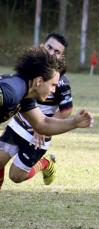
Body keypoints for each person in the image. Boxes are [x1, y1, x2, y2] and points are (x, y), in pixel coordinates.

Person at [0, 46, 93, 190]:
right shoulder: (11, 92)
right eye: (53, 85)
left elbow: (42, 123)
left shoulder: (26, 95)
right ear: (39, 82)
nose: (54, 90)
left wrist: (74, 122)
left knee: (16, 175)